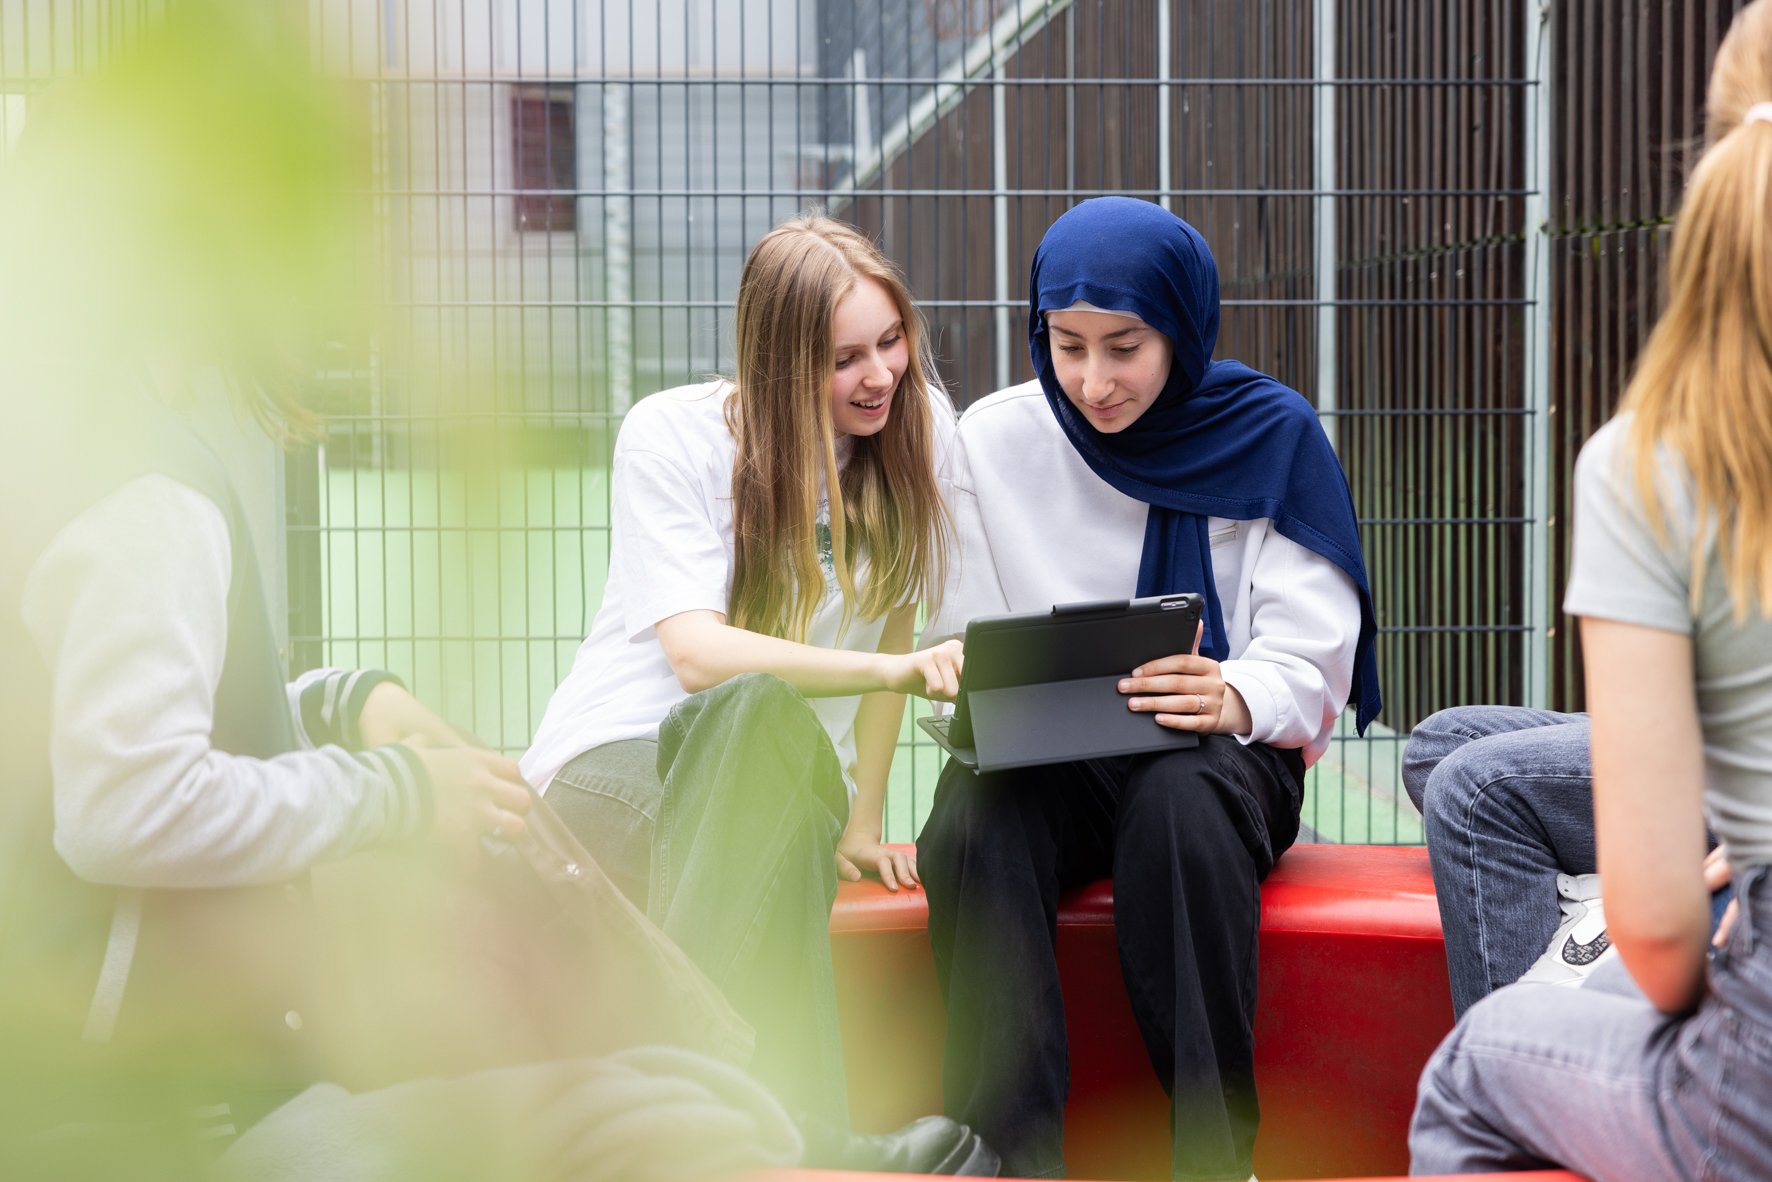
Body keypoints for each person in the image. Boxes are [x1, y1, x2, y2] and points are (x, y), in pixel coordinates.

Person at [916, 196, 1381, 1182]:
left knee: (1178, 802)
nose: (1091, 381)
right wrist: (974, 680)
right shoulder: (992, 440)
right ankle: (1004, 1153)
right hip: (1058, 752)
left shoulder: (1271, 435)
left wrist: (1231, 691)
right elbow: (954, 629)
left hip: (1223, 752)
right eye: (1067, 344)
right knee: (972, 815)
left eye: (1123, 346)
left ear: (1180, 323)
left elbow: (1312, 655)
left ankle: (1213, 1160)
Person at [519, 214, 995, 1174]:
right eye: (845, 358)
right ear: (780, 364)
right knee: (754, 710)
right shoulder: (672, 435)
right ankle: (810, 1138)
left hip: (783, 785)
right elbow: (697, 656)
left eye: (892, 340)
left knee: (774, 771)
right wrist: (888, 675)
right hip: (616, 770)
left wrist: (863, 821)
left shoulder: (916, 432)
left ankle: (716, 1132)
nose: (880, 374)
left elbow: (900, 614)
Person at [1409, 6, 1772, 1174]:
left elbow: (1665, 947)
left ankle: (1562, 987)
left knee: (1472, 1067)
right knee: (1444, 746)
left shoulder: (1650, 459)